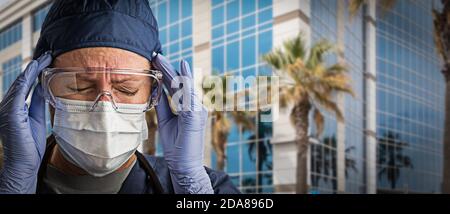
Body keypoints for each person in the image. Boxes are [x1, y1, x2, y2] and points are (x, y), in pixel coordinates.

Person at [0, 0, 239, 194]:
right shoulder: (10, 183)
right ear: (44, 88)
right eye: (80, 86)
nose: (105, 110)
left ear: (153, 93)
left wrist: (191, 188)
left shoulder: (211, 189)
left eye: (127, 89)